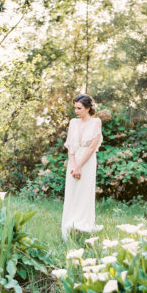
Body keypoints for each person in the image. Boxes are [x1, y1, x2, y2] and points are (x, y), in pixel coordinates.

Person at [61, 93, 103, 240]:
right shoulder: (73, 122)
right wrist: (73, 165)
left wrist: (79, 166)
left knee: (84, 193)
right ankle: (69, 227)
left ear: (87, 108)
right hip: (73, 161)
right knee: (72, 193)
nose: (76, 111)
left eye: (79, 108)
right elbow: (70, 146)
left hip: (87, 161)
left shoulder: (96, 122)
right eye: (75, 108)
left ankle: (83, 227)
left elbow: (92, 148)